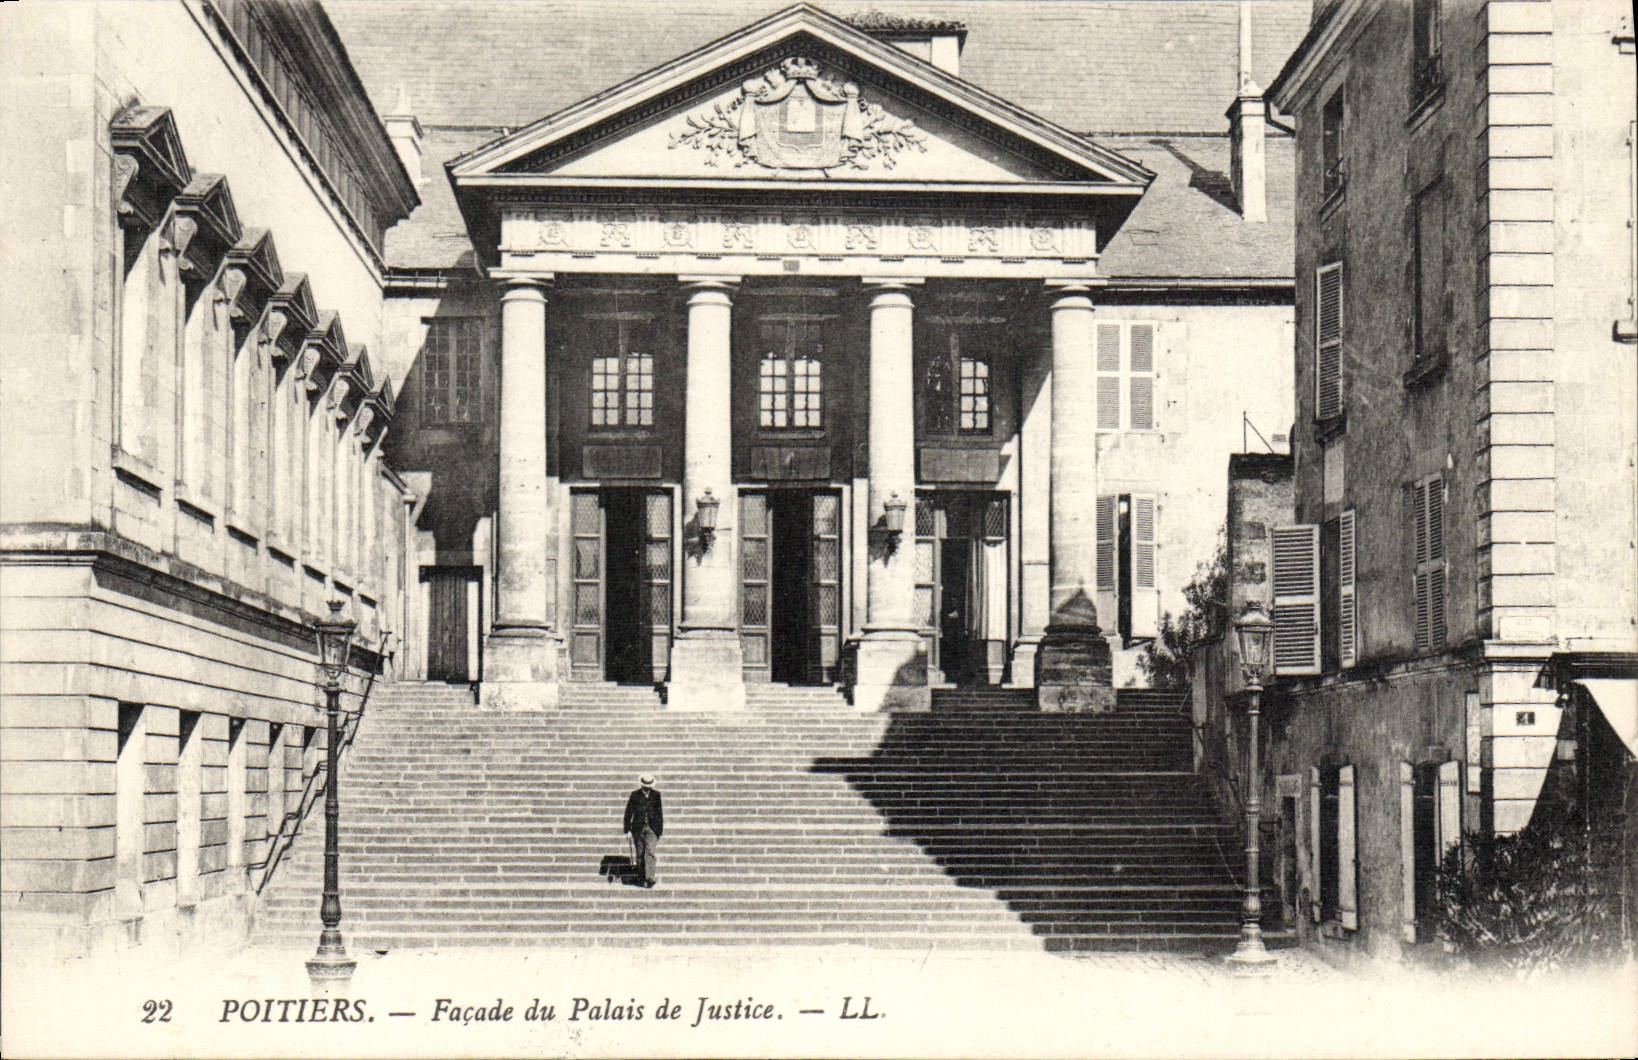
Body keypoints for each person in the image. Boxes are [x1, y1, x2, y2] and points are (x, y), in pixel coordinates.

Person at [622, 774, 663, 888]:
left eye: (649, 786)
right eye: (645, 785)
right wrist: (627, 830)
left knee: (650, 852)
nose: (647, 788)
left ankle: (650, 878)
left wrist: (659, 831)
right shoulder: (635, 795)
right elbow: (628, 813)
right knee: (640, 854)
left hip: (652, 828)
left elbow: (659, 813)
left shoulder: (656, 795)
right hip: (638, 828)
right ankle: (641, 877)